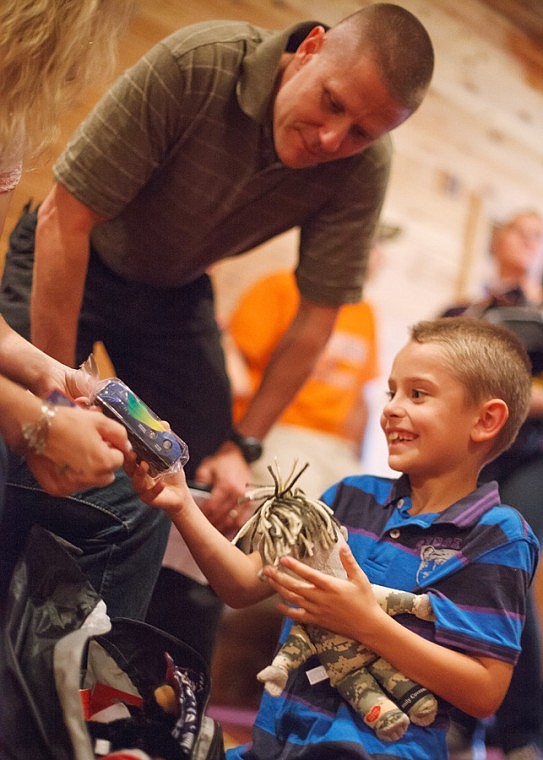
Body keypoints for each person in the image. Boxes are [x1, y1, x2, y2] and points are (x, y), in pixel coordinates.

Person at [126, 316, 539, 760]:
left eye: (417, 394)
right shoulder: (348, 495)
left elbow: (484, 690)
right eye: (391, 392)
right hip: (276, 745)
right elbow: (243, 584)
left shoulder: (497, 534)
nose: (392, 408)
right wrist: (181, 503)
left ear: (486, 420)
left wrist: (365, 622)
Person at [0, 0, 170, 618]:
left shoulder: (11, 118)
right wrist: (35, 425)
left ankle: (66, 708)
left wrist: (54, 377)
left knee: (132, 510)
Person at [442, 210, 543, 760]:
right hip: (471, 459)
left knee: (512, 574)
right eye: (521, 229)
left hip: (530, 460)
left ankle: (523, 733)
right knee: (458, 572)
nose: (532, 239)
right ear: (496, 238)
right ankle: (461, 720)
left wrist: (505, 394)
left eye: (539, 234)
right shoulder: (463, 312)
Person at [223, 229, 393, 496]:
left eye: (379, 247)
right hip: (279, 431)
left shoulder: (366, 312)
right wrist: (239, 445)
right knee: (298, 510)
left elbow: (360, 398)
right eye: (371, 245)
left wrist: (356, 455)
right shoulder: (280, 287)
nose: (378, 256)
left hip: (336, 446)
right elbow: (234, 366)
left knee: (367, 513)